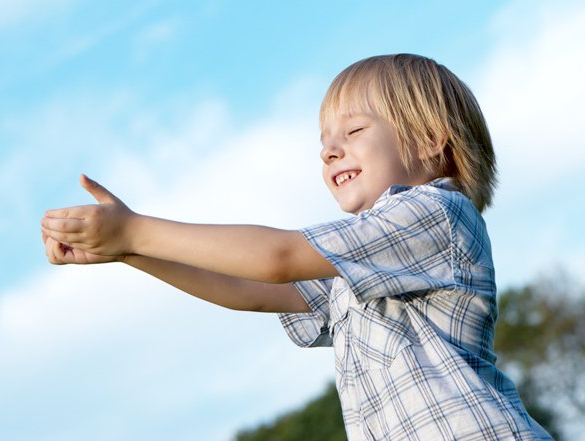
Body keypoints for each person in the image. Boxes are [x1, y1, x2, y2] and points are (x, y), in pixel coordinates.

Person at [41, 54, 553, 440]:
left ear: (430, 141)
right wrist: (129, 252)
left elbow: (277, 258)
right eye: (324, 140)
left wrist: (134, 230)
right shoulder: (362, 263)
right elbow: (252, 288)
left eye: (354, 129)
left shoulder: (436, 212)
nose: (330, 150)